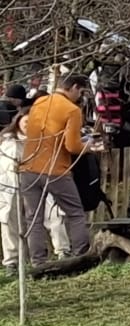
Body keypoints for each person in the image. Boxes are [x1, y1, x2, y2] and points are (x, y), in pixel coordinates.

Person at [18, 75, 94, 264]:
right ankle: (80, 256)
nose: (80, 96)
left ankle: (38, 261)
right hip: (55, 169)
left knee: (33, 218)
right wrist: (88, 146)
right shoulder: (72, 110)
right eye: (80, 92)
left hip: (29, 167)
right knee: (75, 213)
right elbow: (72, 146)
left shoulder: (40, 102)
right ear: (74, 87)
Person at [0, 100, 23, 270]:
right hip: (6, 186)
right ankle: (11, 261)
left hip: (28, 185)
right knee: (7, 220)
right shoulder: (6, 142)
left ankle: (32, 257)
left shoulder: (27, 141)